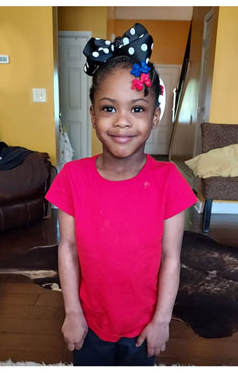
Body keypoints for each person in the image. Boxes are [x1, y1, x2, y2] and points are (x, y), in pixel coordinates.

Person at [45, 23, 197, 366]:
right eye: (109, 108)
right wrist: (72, 313)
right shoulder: (72, 177)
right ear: (93, 114)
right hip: (88, 322)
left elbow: (171, 257)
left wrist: (161, 321)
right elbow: (67, 248)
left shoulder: (170, 180)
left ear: (155, 116)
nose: (122, 122)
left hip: (144, 327)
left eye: (138, 109)